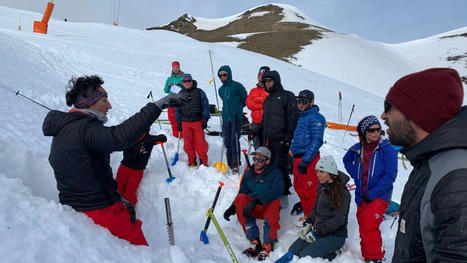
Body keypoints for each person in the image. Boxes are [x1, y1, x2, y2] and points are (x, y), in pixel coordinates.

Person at [42, 75, 188, 245]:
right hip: (101, 212)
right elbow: (119, 137)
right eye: (104, 100)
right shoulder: (85, 129)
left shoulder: (67, 128)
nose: (109, 106)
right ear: (90, 103)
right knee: (142, 254)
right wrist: (157, 106)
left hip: (78, 207)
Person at [380, 68, 467, 262]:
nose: (383, 116)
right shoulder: (430, 162)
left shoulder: (456, 178)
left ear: (416, 113)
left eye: (388, 106)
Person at [343, 115, 398, 262]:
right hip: (362, 195)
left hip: (380, 195)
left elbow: (390, 176)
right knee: (363, 225)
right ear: (364, 133)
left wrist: (372, 193)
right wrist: (356, 175)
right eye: (372, 130)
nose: (376, 133)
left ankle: (375, 257)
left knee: (369, 224)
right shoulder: (358, 149)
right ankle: (368, 255)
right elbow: (346, 160)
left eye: (378, 129)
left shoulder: (387, 149)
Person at [289, 155, 350, 261]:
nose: (318, 175)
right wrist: (309, 223)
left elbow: (339, 220)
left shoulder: (342, 193)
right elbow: (315, 209)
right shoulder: (322, 186)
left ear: (330, 173)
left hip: (334, 235)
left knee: (305, 256)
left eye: (321, 172)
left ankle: (335, 251)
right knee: (293, 251)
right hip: (318, 230)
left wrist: (318, 231)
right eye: (317, 171)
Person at [227, 147, 284, 261]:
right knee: (241, 198)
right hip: (251, 208)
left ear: (267, 161)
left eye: (260, 160)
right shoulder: (249, 173)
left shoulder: (275, 173)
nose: (256, 162)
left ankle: (268, 242)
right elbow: (242, 192)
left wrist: (257, 201)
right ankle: (254, 240)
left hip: (265, 207)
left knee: (275, 201)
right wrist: (233, 207)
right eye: (255, 159)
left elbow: (278, 190)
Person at [257, 70, 298, 203]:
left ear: (276, 80)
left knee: (280, 166)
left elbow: (293, 119)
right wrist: (257, 131)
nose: (268, 84)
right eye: (265, 82)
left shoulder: (287, 96)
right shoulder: (268, 99)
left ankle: (283, 193)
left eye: (270, 81)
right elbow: (265, 120)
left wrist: (288, 138)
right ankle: (271, 190)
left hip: (281, 139)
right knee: (268, 166)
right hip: (268, 138)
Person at [290, 90, 326, 221]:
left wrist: (306, 160)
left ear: (312, 102)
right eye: (299, 101)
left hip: (309, 159)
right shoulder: (302, 116)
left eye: (304, 102)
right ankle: (308, 214)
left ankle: (313, 219)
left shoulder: (317, 117)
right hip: (298, 157)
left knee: (310, 190)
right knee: (299, 187)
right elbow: (299, 138)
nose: (301, 104)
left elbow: (317, 140)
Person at [175, 73, 210, 167]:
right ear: (182, 83)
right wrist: (178, 123)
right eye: (185, 81)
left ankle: (203, 161)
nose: (187, 83)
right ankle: (192, 160)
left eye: (189, 81)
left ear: (192, 81)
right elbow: (177, 109)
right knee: (188, 144)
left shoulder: (199, 92)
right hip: (185, 122)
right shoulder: (180, 94)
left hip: (198, 121)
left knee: (201, 143)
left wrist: (205, 119)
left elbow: (206, 106)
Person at [218, 65, 247, 173]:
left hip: (236, 118)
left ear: (229, 74)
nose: (222, 77)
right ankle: (230, 161)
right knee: (227, 141)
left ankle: (236, 163)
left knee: (234, 140)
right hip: (226, 118)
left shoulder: (237, 86)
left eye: (224, 74)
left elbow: (245, 99)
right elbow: (224, 101)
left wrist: (237, 109)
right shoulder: (221, 89)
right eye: (220, 75)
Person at [246, 66, 270, 149]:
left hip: (267, 123)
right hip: (255, 123)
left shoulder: (270, 91)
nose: (261, 78)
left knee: (266, 147)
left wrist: (256, 100)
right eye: (259, 76)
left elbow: (269, 104)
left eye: (263, 76)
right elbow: (249, 105)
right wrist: (262, 103)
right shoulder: (253, 90)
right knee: (256, 146)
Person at [164, 61, 184, 137]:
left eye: (177, 67)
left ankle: (182, 135)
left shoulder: (183, 77)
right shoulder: (169, 79)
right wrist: (169, 86)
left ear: (179, 68)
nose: (176, 69)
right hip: (171, 100)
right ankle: (175, 135)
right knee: (171, 118)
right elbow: (166, 90)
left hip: (180, 100)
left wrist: (181, 85)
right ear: (172, 68)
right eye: (174, 67)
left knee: (179, 118)